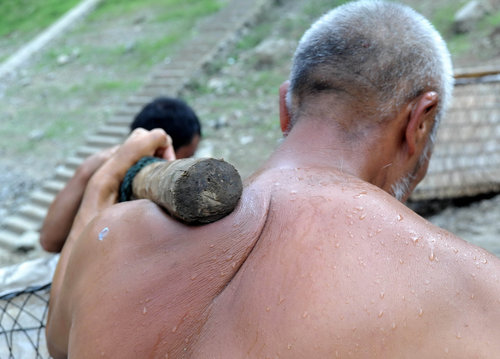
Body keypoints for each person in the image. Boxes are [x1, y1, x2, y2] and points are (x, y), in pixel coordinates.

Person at [46, 1, 500, 358]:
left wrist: (101, 192)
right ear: (420, 121)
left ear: (285, 106)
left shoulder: (111, 239)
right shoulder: (474, 291)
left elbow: (58, 343)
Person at [39, 97, 201, 253]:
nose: (186, 166)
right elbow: (49, 241)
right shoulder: (102, 167)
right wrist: (89, 174)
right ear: (162, 150)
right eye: (186, 157)